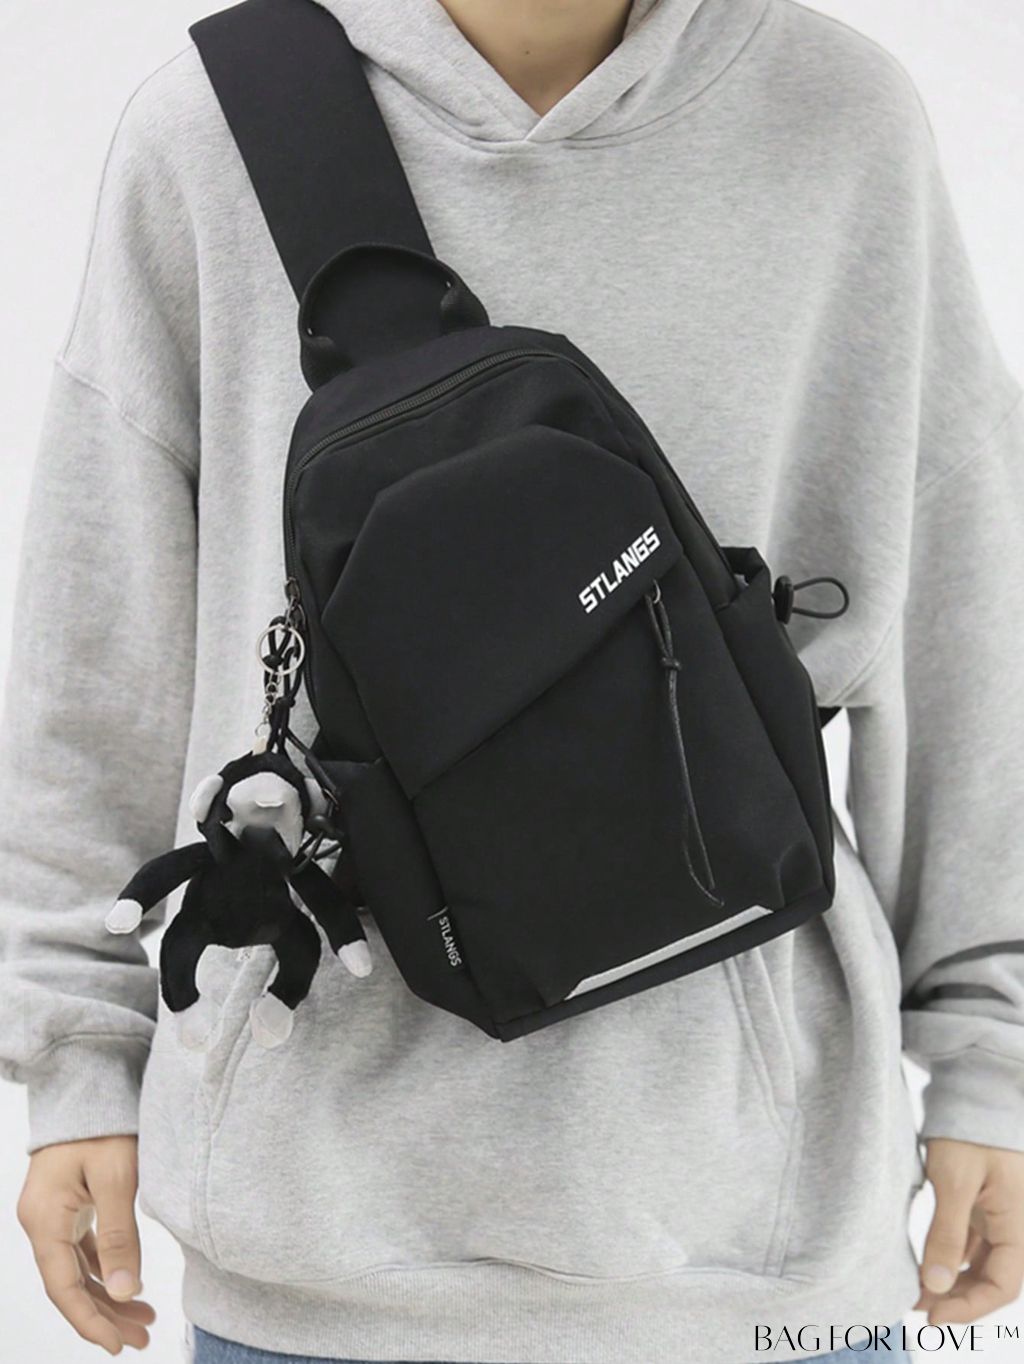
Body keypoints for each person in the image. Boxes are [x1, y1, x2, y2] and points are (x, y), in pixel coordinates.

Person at [2, 1, 1023, 1361]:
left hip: (754, 1247)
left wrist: (994, 1057)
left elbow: (960, 612)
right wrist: (75, 1052)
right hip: (318, 1249)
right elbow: (101, 636)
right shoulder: (215, 129)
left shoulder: (838, 122)